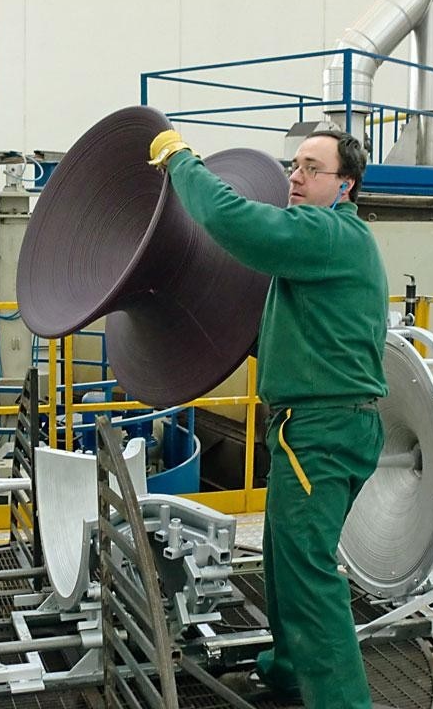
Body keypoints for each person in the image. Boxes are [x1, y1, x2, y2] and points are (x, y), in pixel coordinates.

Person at [149, 128, 388, 708]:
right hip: (309, 427)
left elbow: (235, 221)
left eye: (313, 168)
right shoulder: (317, 251)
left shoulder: (328, 233)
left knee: (308, 571)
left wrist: (182, 162)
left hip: (323, 431)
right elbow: (287, 334)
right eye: (294, 166)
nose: (297, 178)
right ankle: (286, 668)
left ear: (346, 185)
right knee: (286, 560)